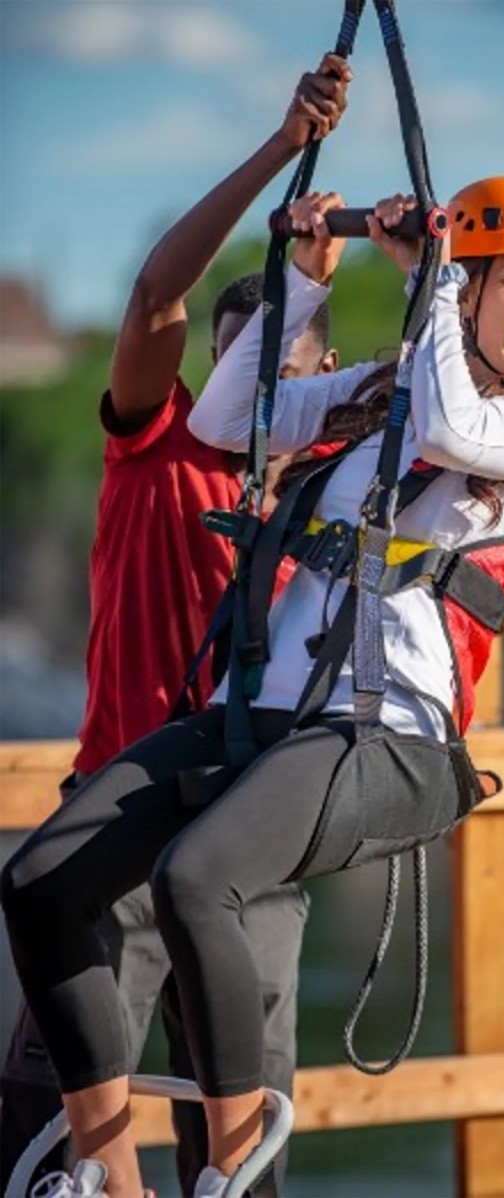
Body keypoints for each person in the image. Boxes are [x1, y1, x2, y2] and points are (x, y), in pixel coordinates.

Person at [2, 175, 504, 1198]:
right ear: (469, 295)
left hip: (387, 739)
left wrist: (425, 278)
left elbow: (456, 432)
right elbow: (226, 420)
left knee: (196, 878)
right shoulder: (381, 389)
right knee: (40, 882)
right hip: (274, 723)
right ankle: (109, 1173)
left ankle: (230, 1176)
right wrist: (300, 274)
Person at [0, 56, 349, 1198]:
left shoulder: (345, 494)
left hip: (251, 856)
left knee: (240, 1168)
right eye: (232, 368)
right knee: (49, 1146)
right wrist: (278, 145)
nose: (251, 398)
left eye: (282, 370)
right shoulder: (160, 452)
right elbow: (155, 295)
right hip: (115, 837)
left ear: (324, 371)